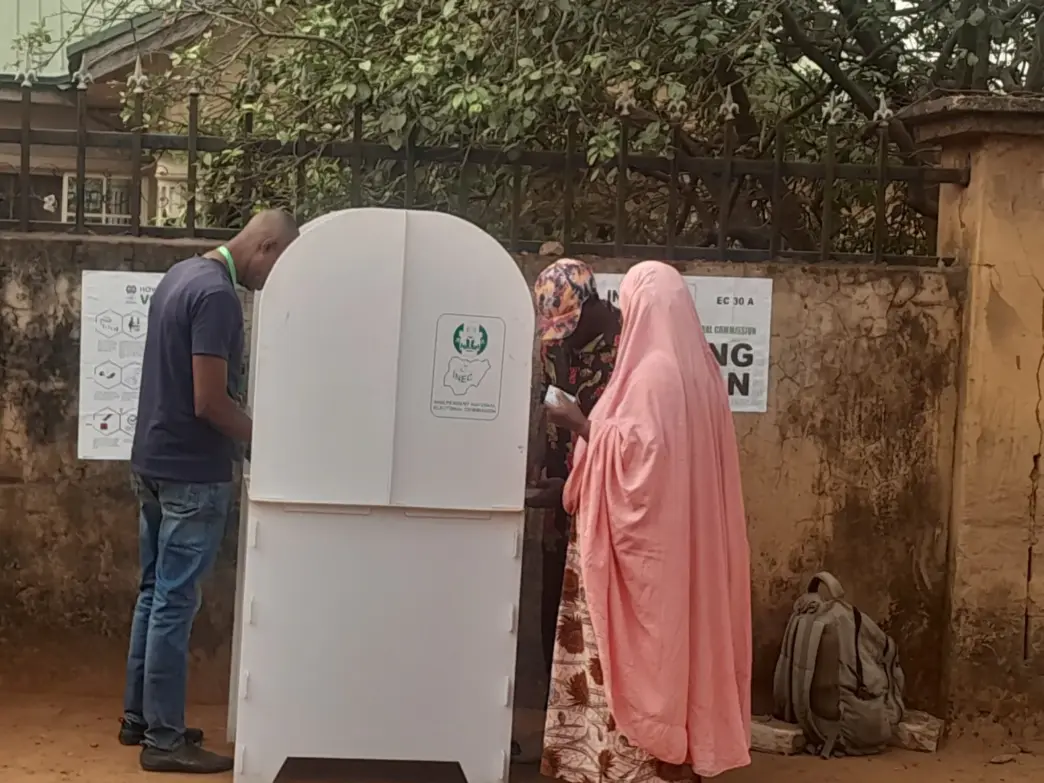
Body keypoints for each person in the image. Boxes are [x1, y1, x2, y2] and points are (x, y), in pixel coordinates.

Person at [539, 261, 752, 782]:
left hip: (646, 552)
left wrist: (578, 422)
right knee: (681, 643)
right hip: (683, 544)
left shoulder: (655, 374)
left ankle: (627, 762)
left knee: (639, 653)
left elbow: (640, 462)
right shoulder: (699, 369)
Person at [121, 209, 299, 774]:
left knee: (153, 594)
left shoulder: (179, 275)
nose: (272, 281)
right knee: (175, 603)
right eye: (279, 266)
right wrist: (270, 444)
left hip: (151, 461)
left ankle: (140, 719)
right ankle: (166, 742)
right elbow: (210, 401)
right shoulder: (218, 296)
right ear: (265, 246)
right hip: (192, 472)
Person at [519, 259, 621, 760]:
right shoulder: (554, 347)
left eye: (570, 325)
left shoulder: (627, 349)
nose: (563, 339)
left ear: (594, 306)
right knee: (552, 618)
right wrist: (538, 461)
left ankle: (603, 733)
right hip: (562, 498)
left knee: (600, 618)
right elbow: (545, 402)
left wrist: (580, 437)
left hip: (604, 501)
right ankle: (559, 731)